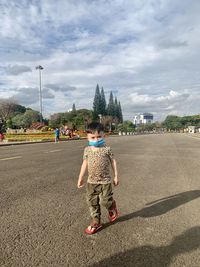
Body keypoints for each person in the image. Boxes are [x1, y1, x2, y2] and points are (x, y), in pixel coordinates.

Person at [77, 122, 119, 235]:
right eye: (93, 137)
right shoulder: (87, 150)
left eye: (99, 137)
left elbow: (113, 162)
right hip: (91, 182)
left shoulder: (107, 149)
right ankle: (96, 222)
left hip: (105, 181)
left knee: (105, 201)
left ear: (104, 136)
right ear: (87, 137)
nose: (96, 140)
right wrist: (80, 177)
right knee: (92, 202)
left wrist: (116, 176)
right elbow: (84, 164)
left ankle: (111, 206)